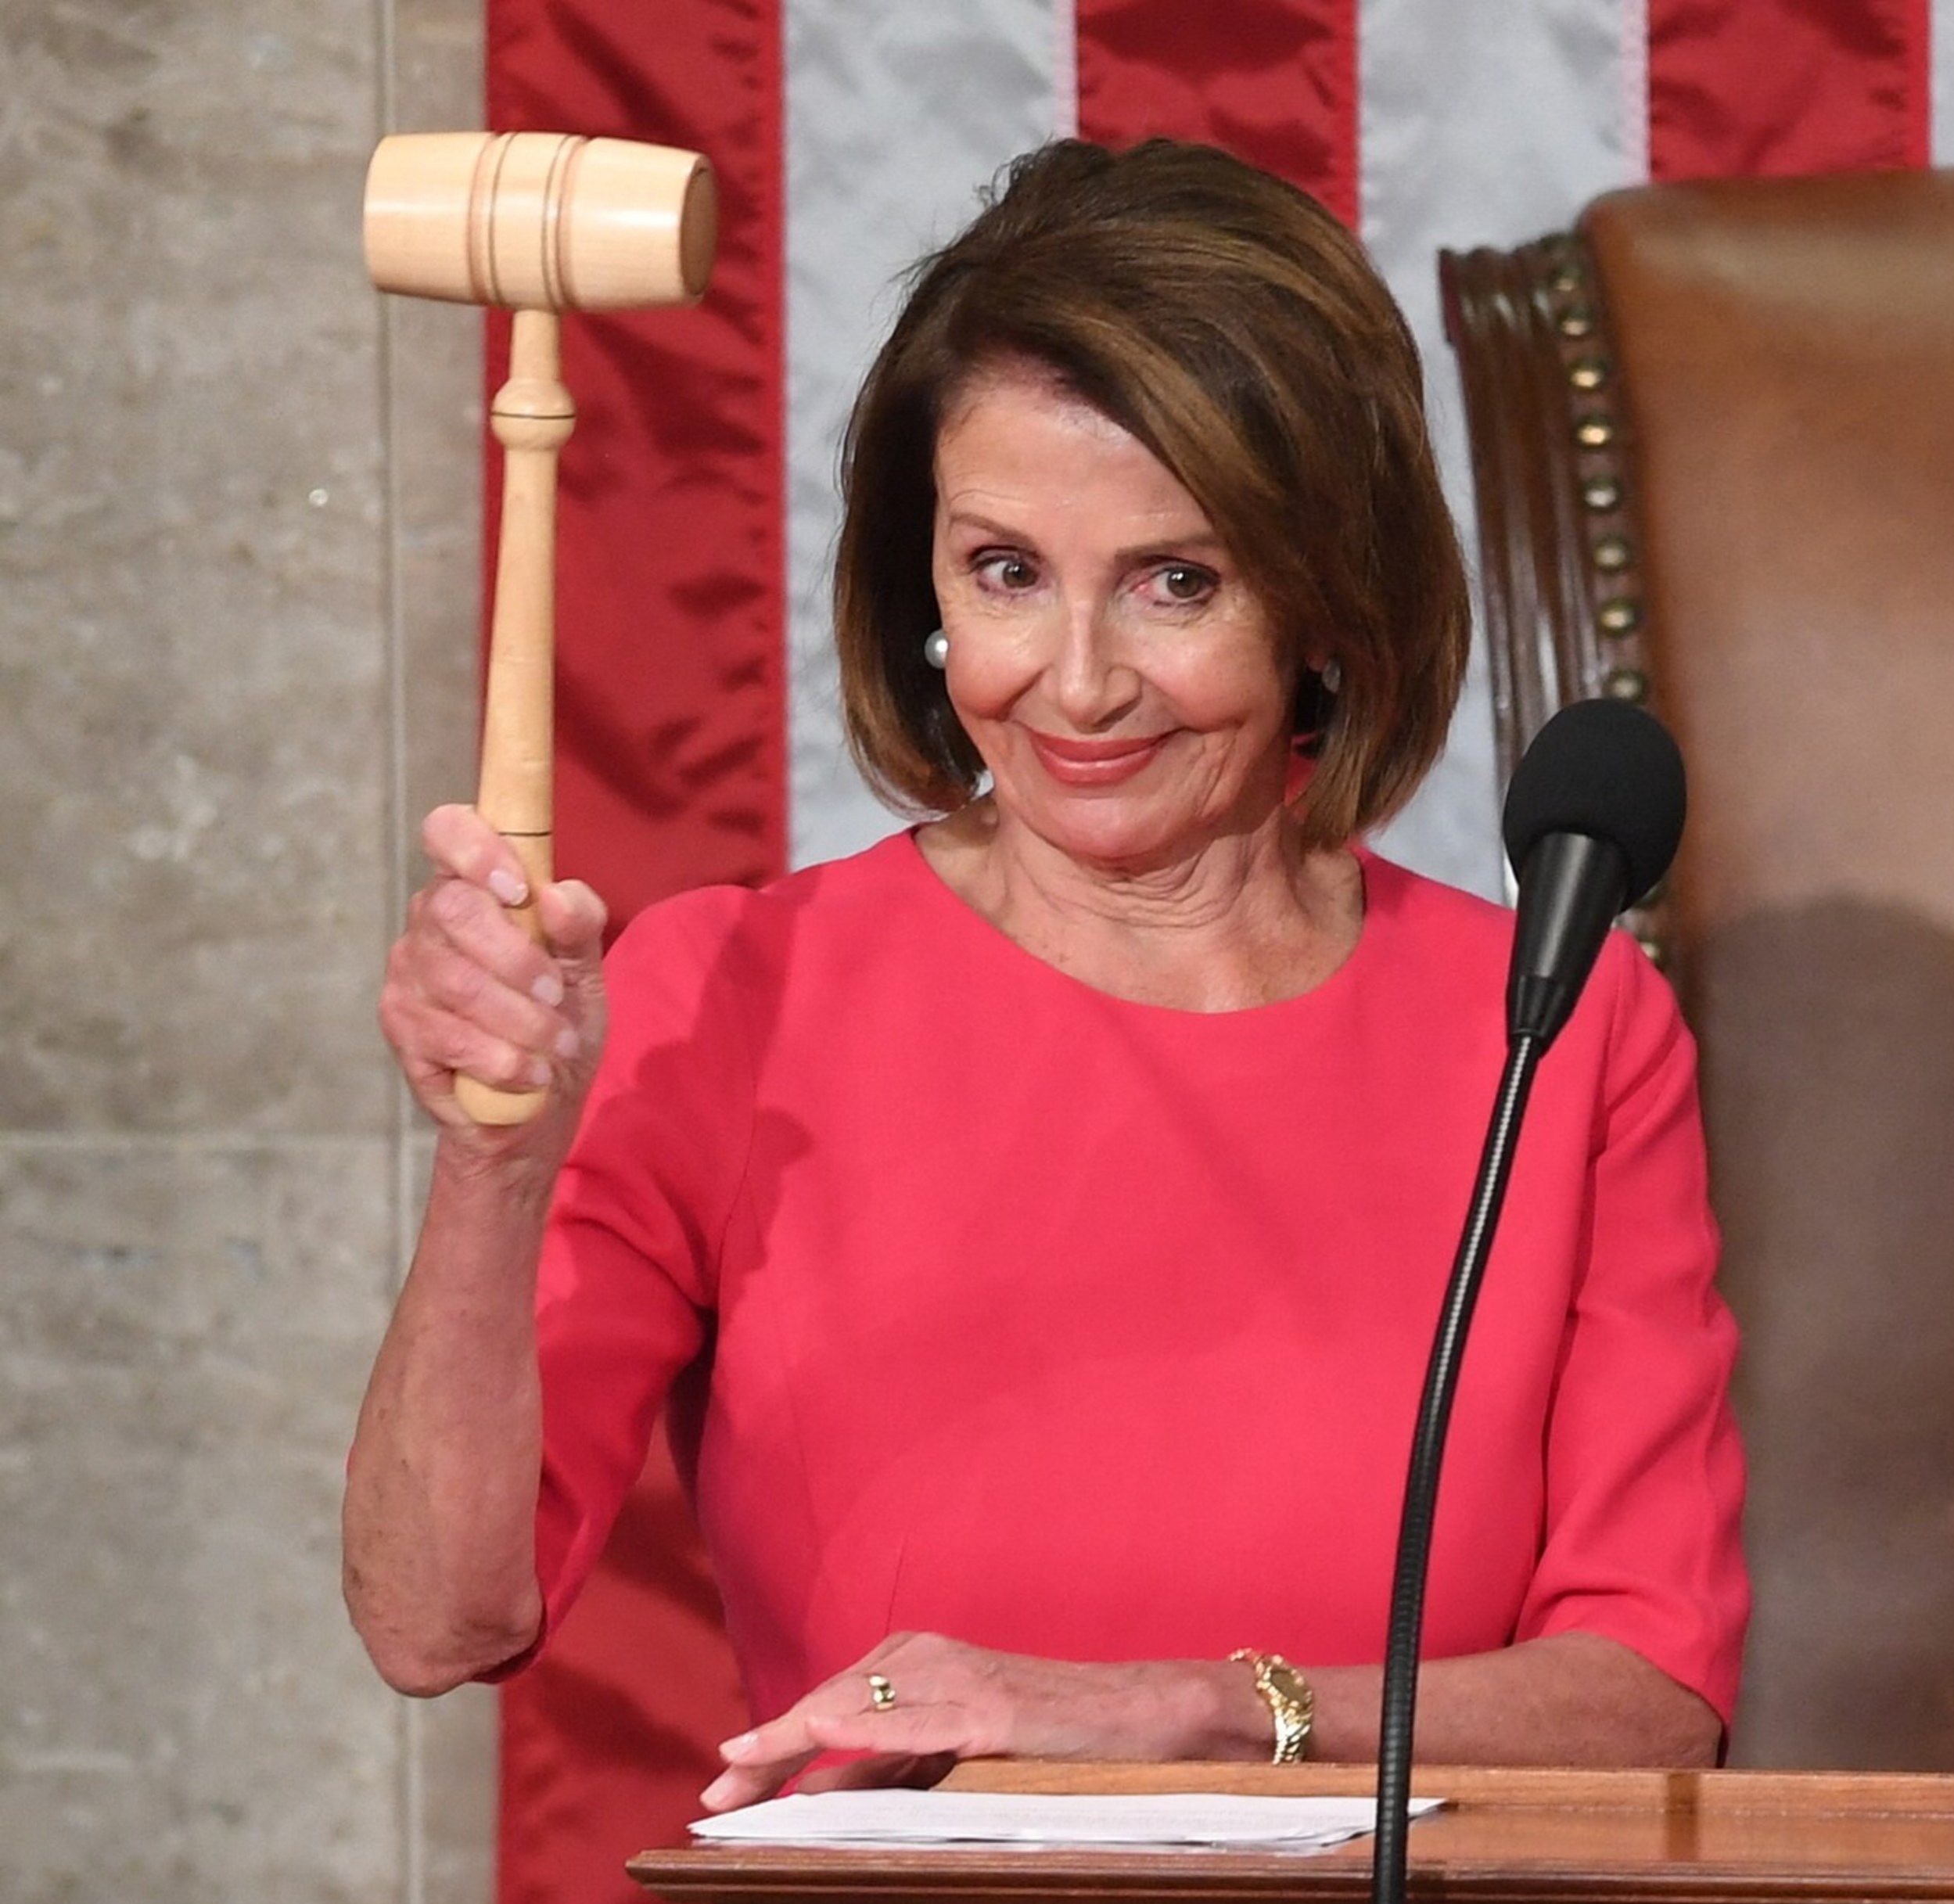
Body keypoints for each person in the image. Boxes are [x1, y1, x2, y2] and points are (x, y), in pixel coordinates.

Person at [343, 138, 1750, 1812]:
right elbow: (440, 1620)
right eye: (1004, 572)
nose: (1076, 687)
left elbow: (1649, 1703)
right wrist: (496, 1165)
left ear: (1327, 601)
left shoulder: (1557, 1026)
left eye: (1177, 582)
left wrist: (1181, 1714)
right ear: (920, 583)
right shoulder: (731, 993)